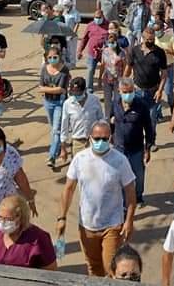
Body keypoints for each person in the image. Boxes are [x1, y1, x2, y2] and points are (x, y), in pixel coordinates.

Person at [56, 120, 136, 278]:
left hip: (112, 225)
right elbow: (68, 189)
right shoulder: (80, 159)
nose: (101, 142)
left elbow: (130, 193)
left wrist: (129, 221)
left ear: (110, 138)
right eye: (97, 138)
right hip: (87, 225)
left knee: (111, 269)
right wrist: (62, 217)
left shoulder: (120, 160)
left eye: (105, 138)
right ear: (90, 138)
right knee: (93, 267)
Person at [0, 194, 56, 270]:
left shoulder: (39, 238)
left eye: (8, 219)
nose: (3, 222)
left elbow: (50, 269)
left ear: (21, 217)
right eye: (0, 217)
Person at [110, 78, 154, 206]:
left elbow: (148, 128)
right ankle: (124, 202)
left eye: (130, 91)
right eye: (125, 92)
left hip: (136, 149)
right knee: (120, 175)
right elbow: (110, 120)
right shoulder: (115, 103)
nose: (127, 94)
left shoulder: (141, 105)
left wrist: (148, 148)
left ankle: (138, 196)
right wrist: (110, 136)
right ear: (119, 91)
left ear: (134, 90)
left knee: (138, 175)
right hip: (119, 148)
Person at [127, 26, 168, 130]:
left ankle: (151, 139)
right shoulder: (134, 51)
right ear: (143, 38)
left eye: (153, 39)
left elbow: (164, 73)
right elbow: (128, 70)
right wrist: (124, 85)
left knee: (151, 120)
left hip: (153, 92)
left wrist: (160, 90)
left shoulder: (160, 52)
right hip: (137, 91)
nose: (151, 41)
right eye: (148, 39)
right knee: (136, 120)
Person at [38, 45, 70, 168]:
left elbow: (61, 89)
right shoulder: (44, 69)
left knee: (56, 129)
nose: (52, 59)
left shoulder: (64, 70)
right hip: (48, 102)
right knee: (53, 128)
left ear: (59, 57)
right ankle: (59, 147)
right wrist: (53, 89)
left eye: (55, 57)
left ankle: (52, 156)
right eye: (50, 57)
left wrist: (46, 89)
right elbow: (40, 87)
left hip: (59, 103)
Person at [59, 77, 104, 163]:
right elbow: (64, 126)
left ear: (85, 90)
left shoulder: (94, 100)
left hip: (94, 141)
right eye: (73, 92)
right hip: (77, 143)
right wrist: (63, 148)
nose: (76, 95)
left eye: (78, 92)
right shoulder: (68, 104)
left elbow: (101, 119)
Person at [77, 8, 110, 93]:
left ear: (103, 16)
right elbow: (84, 39)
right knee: (90, 69)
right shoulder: (90, 25)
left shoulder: (109, 25)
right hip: (92, 52)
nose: (97, 19)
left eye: (99, 17)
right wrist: (80, 51)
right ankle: (89, 89)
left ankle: (107, 87)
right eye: (96, 17)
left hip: (105, 53)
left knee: (108, 71)